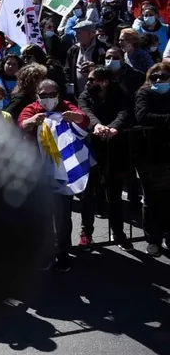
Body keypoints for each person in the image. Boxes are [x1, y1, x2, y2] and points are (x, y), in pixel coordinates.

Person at [18, 79, 89, 272]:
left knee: (63, 215)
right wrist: (32, 122)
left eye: (51, 94)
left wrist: (75, 117)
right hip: (37, 170)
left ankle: (63, 252)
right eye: (43, 95)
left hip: (61, 169)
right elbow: (22, 123)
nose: (48, 99)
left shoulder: (65, 106)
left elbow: (83, 118)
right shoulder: (32, 108)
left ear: (58, 94)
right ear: (37, 96)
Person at [78, 65, 133, 250]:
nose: (88, 82)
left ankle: (118, 232)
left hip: (115, 148)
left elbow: (124, 112)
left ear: (104, 82)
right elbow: (84, 110)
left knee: (115, 194)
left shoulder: (119, 93)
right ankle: (86, 232)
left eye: (92, 80)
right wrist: (97, 126)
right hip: (92, 148)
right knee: (89, 193)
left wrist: (114, 127)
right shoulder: (86, 94)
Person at [134, 62, 170, 255]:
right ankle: (153, 238)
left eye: (163, 77)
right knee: (151, 198)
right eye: (154, 77)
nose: (158, 80)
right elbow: (142, 116)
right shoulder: (144, 94)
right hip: (149, 153)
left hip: (168, 152)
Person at [65, 21, 106, 100]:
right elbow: (67, 70)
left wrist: (95, 68)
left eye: (79, 33)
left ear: (91, 34)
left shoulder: (102, 48)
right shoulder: (73, 49)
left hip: (97, 94)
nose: (76, 35)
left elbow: (107, 70)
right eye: (76, 32)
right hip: (77, 94)